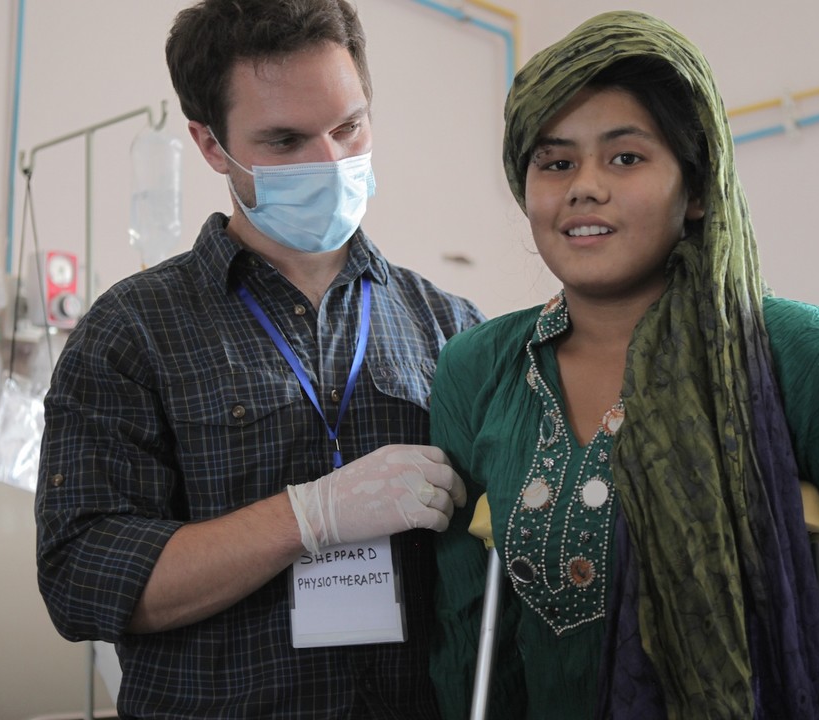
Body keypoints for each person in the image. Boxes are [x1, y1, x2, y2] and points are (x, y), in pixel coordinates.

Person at [429, 11, 819, 720]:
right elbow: (464, 632)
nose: (584, 186)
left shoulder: (799, 352)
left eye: (625, 157)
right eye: (555, 162)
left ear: (697, 191)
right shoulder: (479, 367)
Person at [34, 1, 483, 717]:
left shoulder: (452, 330)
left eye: (348, 127)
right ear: (212, 146)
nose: (331, 162)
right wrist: (310, 517)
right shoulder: (133, 329)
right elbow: (82, 580)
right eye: (285, 140)